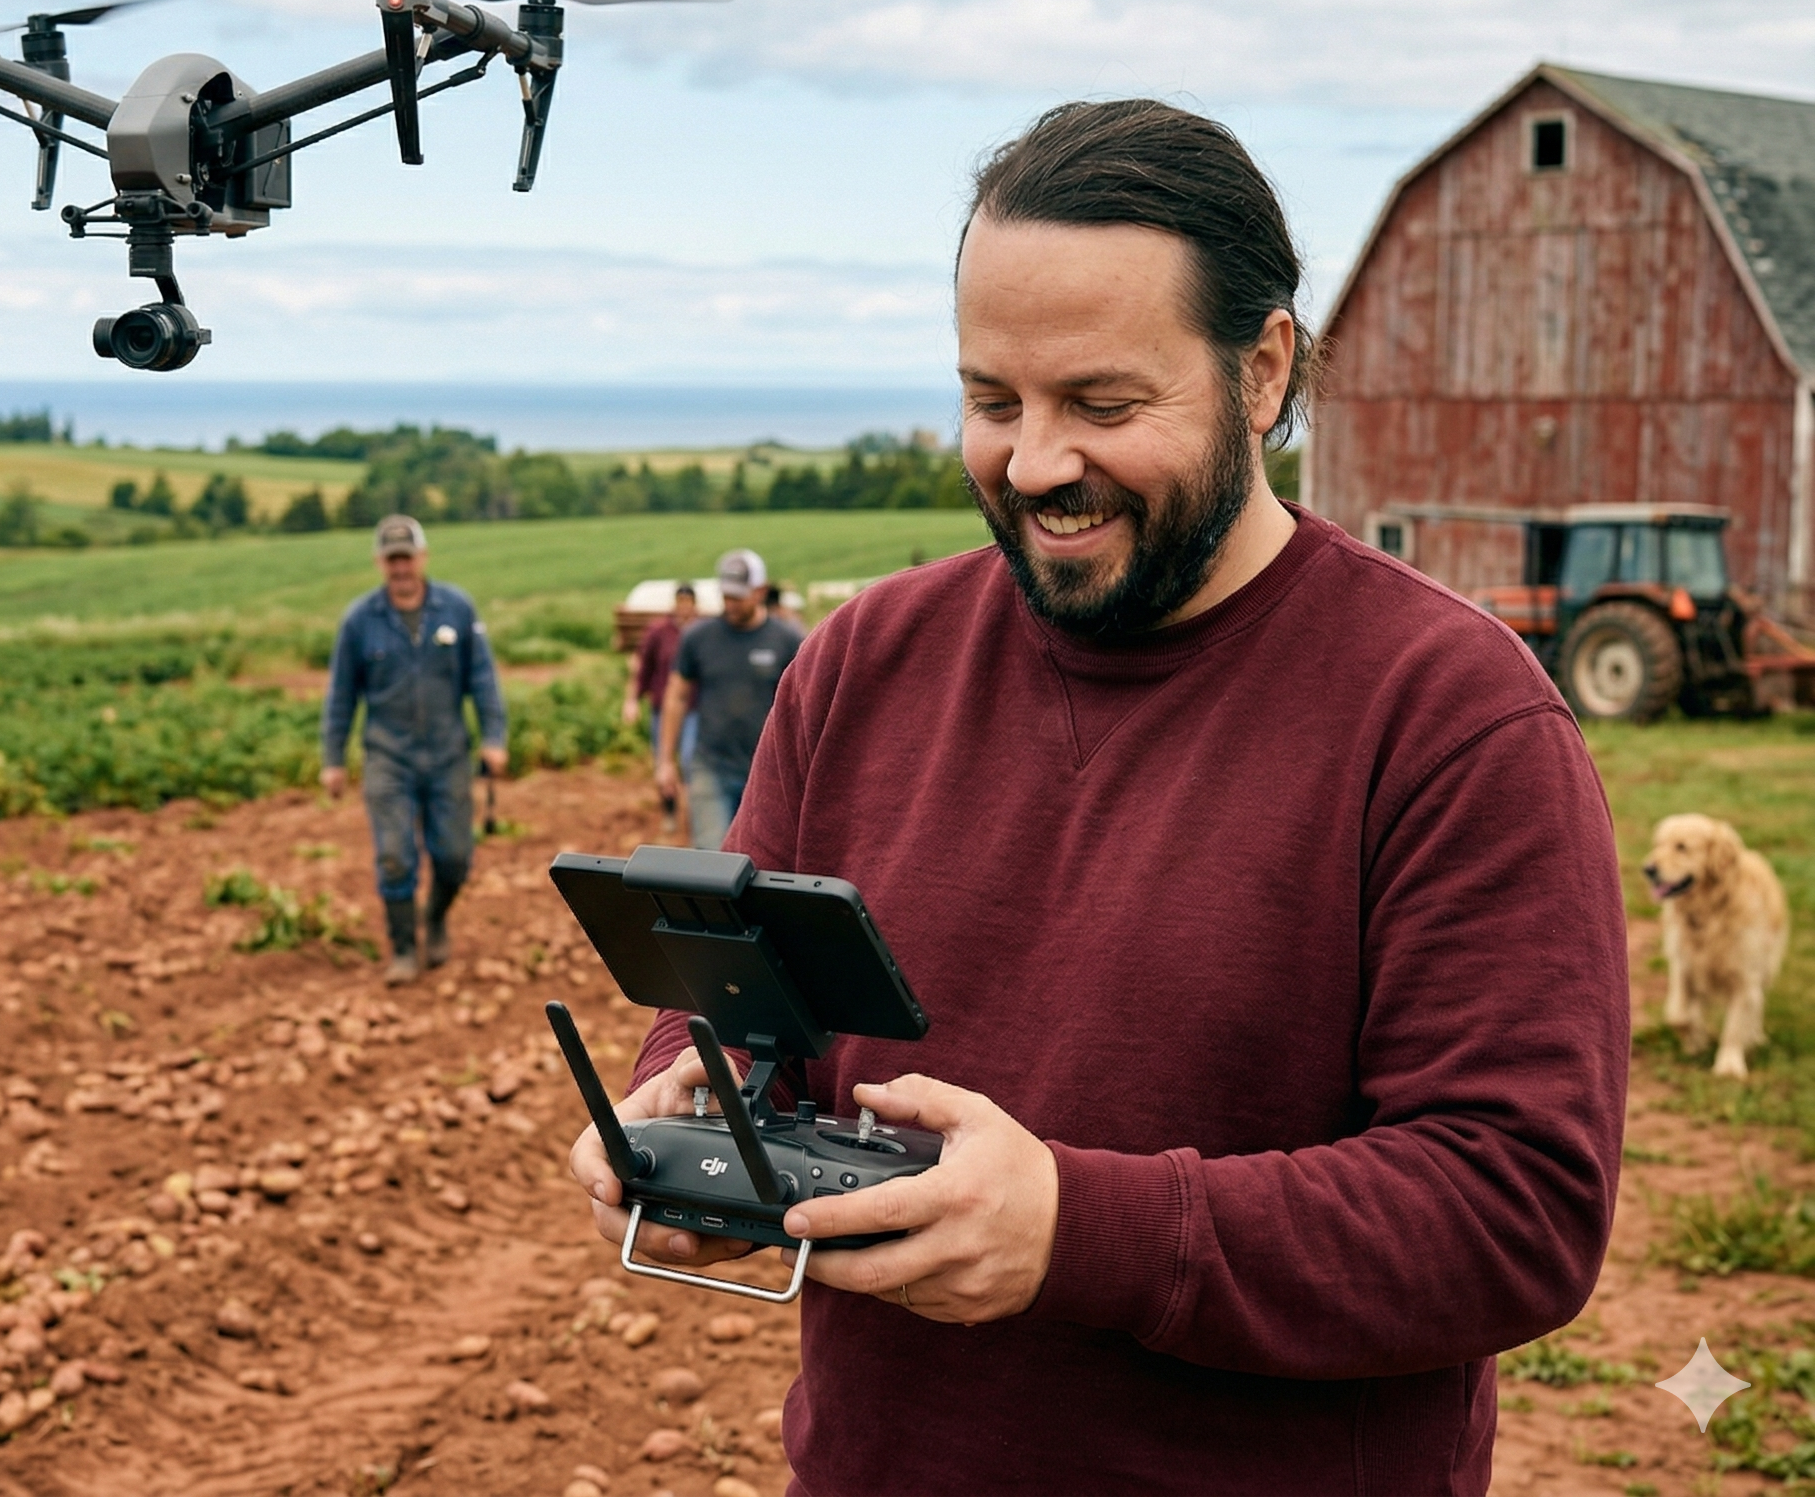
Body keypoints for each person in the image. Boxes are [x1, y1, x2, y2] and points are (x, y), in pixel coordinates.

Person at [570, 100, 1629, 1492]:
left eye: (1102, 405)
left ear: (1261, 372)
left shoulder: (1448, 715)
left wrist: (1082, 1229)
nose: (1034, 464)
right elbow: (744, 1003)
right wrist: (693, 1102)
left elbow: (1515, 1210)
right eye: (992, 401)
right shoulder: (865, 665)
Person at [320, 515, 507, 985]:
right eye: (391, 559)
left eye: (407, 557)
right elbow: (341, 694)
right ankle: (404, 948)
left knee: (454, 856)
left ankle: (436, 916)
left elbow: (482, 680)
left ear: (422, 558)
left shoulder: (456, 609)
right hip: (388, 758)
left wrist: (494, 737)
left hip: (448, 756)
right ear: (380, 563)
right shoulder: (360, 620)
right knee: (395, 855)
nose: (400, 567)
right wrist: (333, 759)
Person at [655, 549, 803, 851]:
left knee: (759, 861)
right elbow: (677, 697)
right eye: (726, 595)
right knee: (712, 860)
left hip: (766, 774)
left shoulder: (787, 641)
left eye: (738, 596)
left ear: (760, 591)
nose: (730, 604)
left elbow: (802, 707)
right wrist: (665, 760)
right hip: (711, 765)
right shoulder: (698, 638)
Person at [622, 582, 699, 822]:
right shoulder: (659, 632)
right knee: (662, 760)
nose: (684, 607)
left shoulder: (700, 634)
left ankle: (693, 805)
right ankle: (669, 809)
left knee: (688, 758)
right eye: (680, 602)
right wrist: (632, 700)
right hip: (661, 709)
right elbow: (644, 668)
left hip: (692, 708)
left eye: (688, 602)